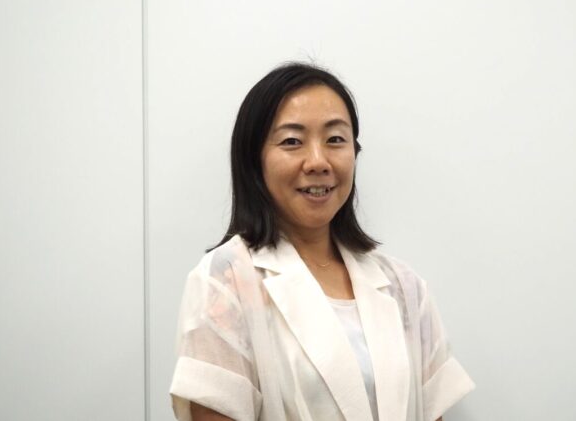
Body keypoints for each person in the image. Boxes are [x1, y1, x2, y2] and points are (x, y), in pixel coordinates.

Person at [169, 62, 474, 421]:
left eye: (335, 140)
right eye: (292, 141)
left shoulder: (405, 289)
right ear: (255, 160)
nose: (318, 162)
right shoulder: (226, 282)